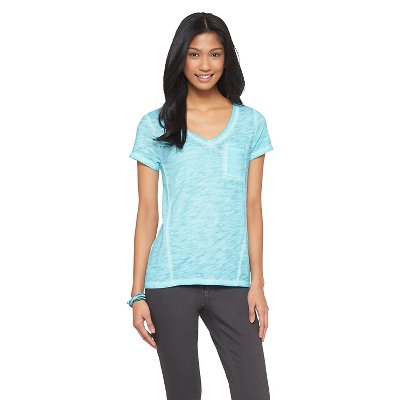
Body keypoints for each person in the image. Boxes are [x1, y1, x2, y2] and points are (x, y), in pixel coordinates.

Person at [127, 12, 273, 400]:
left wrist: (258, 283)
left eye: (214, 54)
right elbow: (147, 213)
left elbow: (253, 207)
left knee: (254, 393)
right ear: (181, 58)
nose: (204, 64)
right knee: (184, 394)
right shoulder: (155, 125)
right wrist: (137, 293)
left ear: (227, 59)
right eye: (194, 54)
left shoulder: (251, 124)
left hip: (234, 283)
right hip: (170, 281)